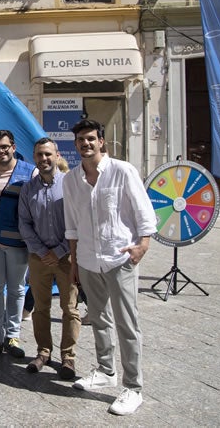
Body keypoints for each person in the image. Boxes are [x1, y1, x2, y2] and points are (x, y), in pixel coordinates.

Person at [63, 119, 156, 416]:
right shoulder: (71, 180)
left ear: (102, 141)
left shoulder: (123, 171)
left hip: (120, 259)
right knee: (99, 319)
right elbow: (72, 226)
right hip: (89, 260)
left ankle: (134, 387)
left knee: (128, 324)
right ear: (75, 144)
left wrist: (142, 246)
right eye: (80, 139)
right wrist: (74, 261)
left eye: (91, 138)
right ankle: (106, 371)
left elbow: (144, 213)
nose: (85, 144)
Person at [17, 137, 80, 379]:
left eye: (48, 154)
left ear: (57, 155)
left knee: (70, 309)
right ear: (34, 158)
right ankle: (44, 351)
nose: (44, 159)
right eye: (39, 155)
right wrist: (43, 252)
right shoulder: (28, 189)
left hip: (67, 256)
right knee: (41, 308)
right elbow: (24, 223)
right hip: (39, 258)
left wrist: (61, 251)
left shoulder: (71, 185)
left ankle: (68, 357)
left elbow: (78, 221)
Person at [0, 129, 36, 361]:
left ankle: (13, 336)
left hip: (17, 242)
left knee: (16, 289)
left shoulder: (30, 172)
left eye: (4, 146)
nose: (0, 151)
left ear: (13, 146)